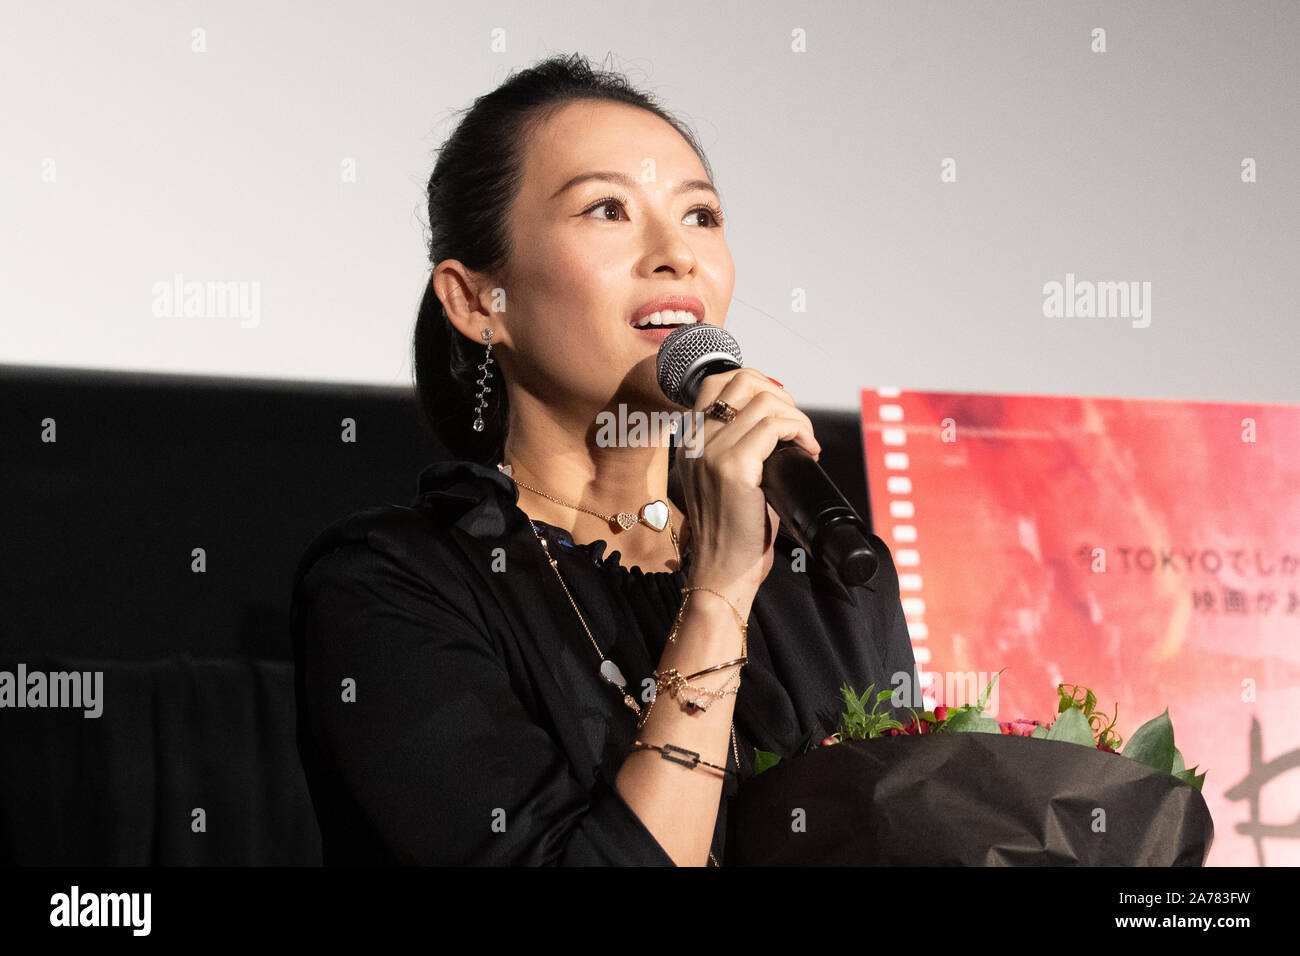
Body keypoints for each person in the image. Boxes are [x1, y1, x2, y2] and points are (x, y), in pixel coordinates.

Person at [290, 52, 918, 867]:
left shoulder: (824, 571)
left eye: (700, 215)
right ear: (477, 301)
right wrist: (717, 598)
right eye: (607, 209)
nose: (676, 254)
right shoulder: (389, 585)